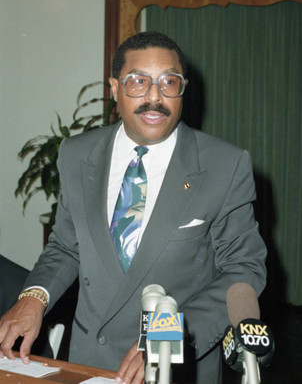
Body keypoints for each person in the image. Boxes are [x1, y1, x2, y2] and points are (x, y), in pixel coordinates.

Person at [0, 31, 267, 383]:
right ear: (114, 88)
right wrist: (34, 297)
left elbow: (243, 270)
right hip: (90, 361)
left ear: (183, 87)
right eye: (138, 81)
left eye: (169, 82)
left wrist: (165, 338)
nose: (155, 96)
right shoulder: (78, 154)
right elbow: (67, 245)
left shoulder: (224, 164)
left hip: (176, 365)